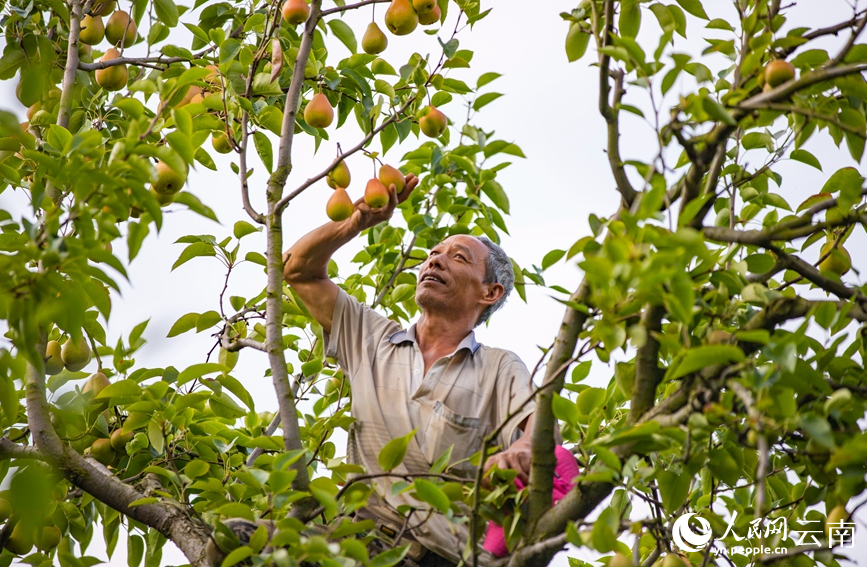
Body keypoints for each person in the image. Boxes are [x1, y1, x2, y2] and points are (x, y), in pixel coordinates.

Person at [282, 173, 538, 566]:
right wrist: (355, 222)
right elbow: (298, 270)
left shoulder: (498, 367)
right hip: (353, 541)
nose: (434, 259)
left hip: (442, 557)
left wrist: (520, 450)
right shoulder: (371, 338)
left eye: (457, 256)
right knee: (246, 538)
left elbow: (538, 428)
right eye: (432, 253)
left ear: (490, 293)